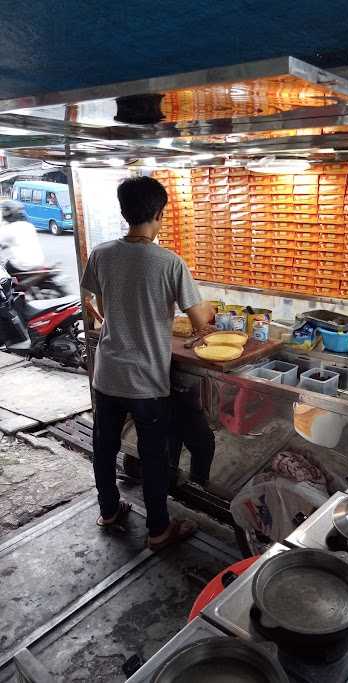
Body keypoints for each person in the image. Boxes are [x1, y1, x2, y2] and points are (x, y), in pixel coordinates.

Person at [81, 176, 214, 550]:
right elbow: (201, 322)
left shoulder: (102, 253)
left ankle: (109, 511)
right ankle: (158, 531)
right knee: (155, 457)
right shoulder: (169, 262)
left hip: (107, 374)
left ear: (124, 212)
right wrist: (206, 312)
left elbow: (100, 303)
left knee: (105, 448)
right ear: (159, 214)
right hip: (145, 380)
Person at [0, 200, 45, 273]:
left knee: (3, 272)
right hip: (39, 263)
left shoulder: (8, 228)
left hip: (21, 265)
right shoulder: (29, 226)